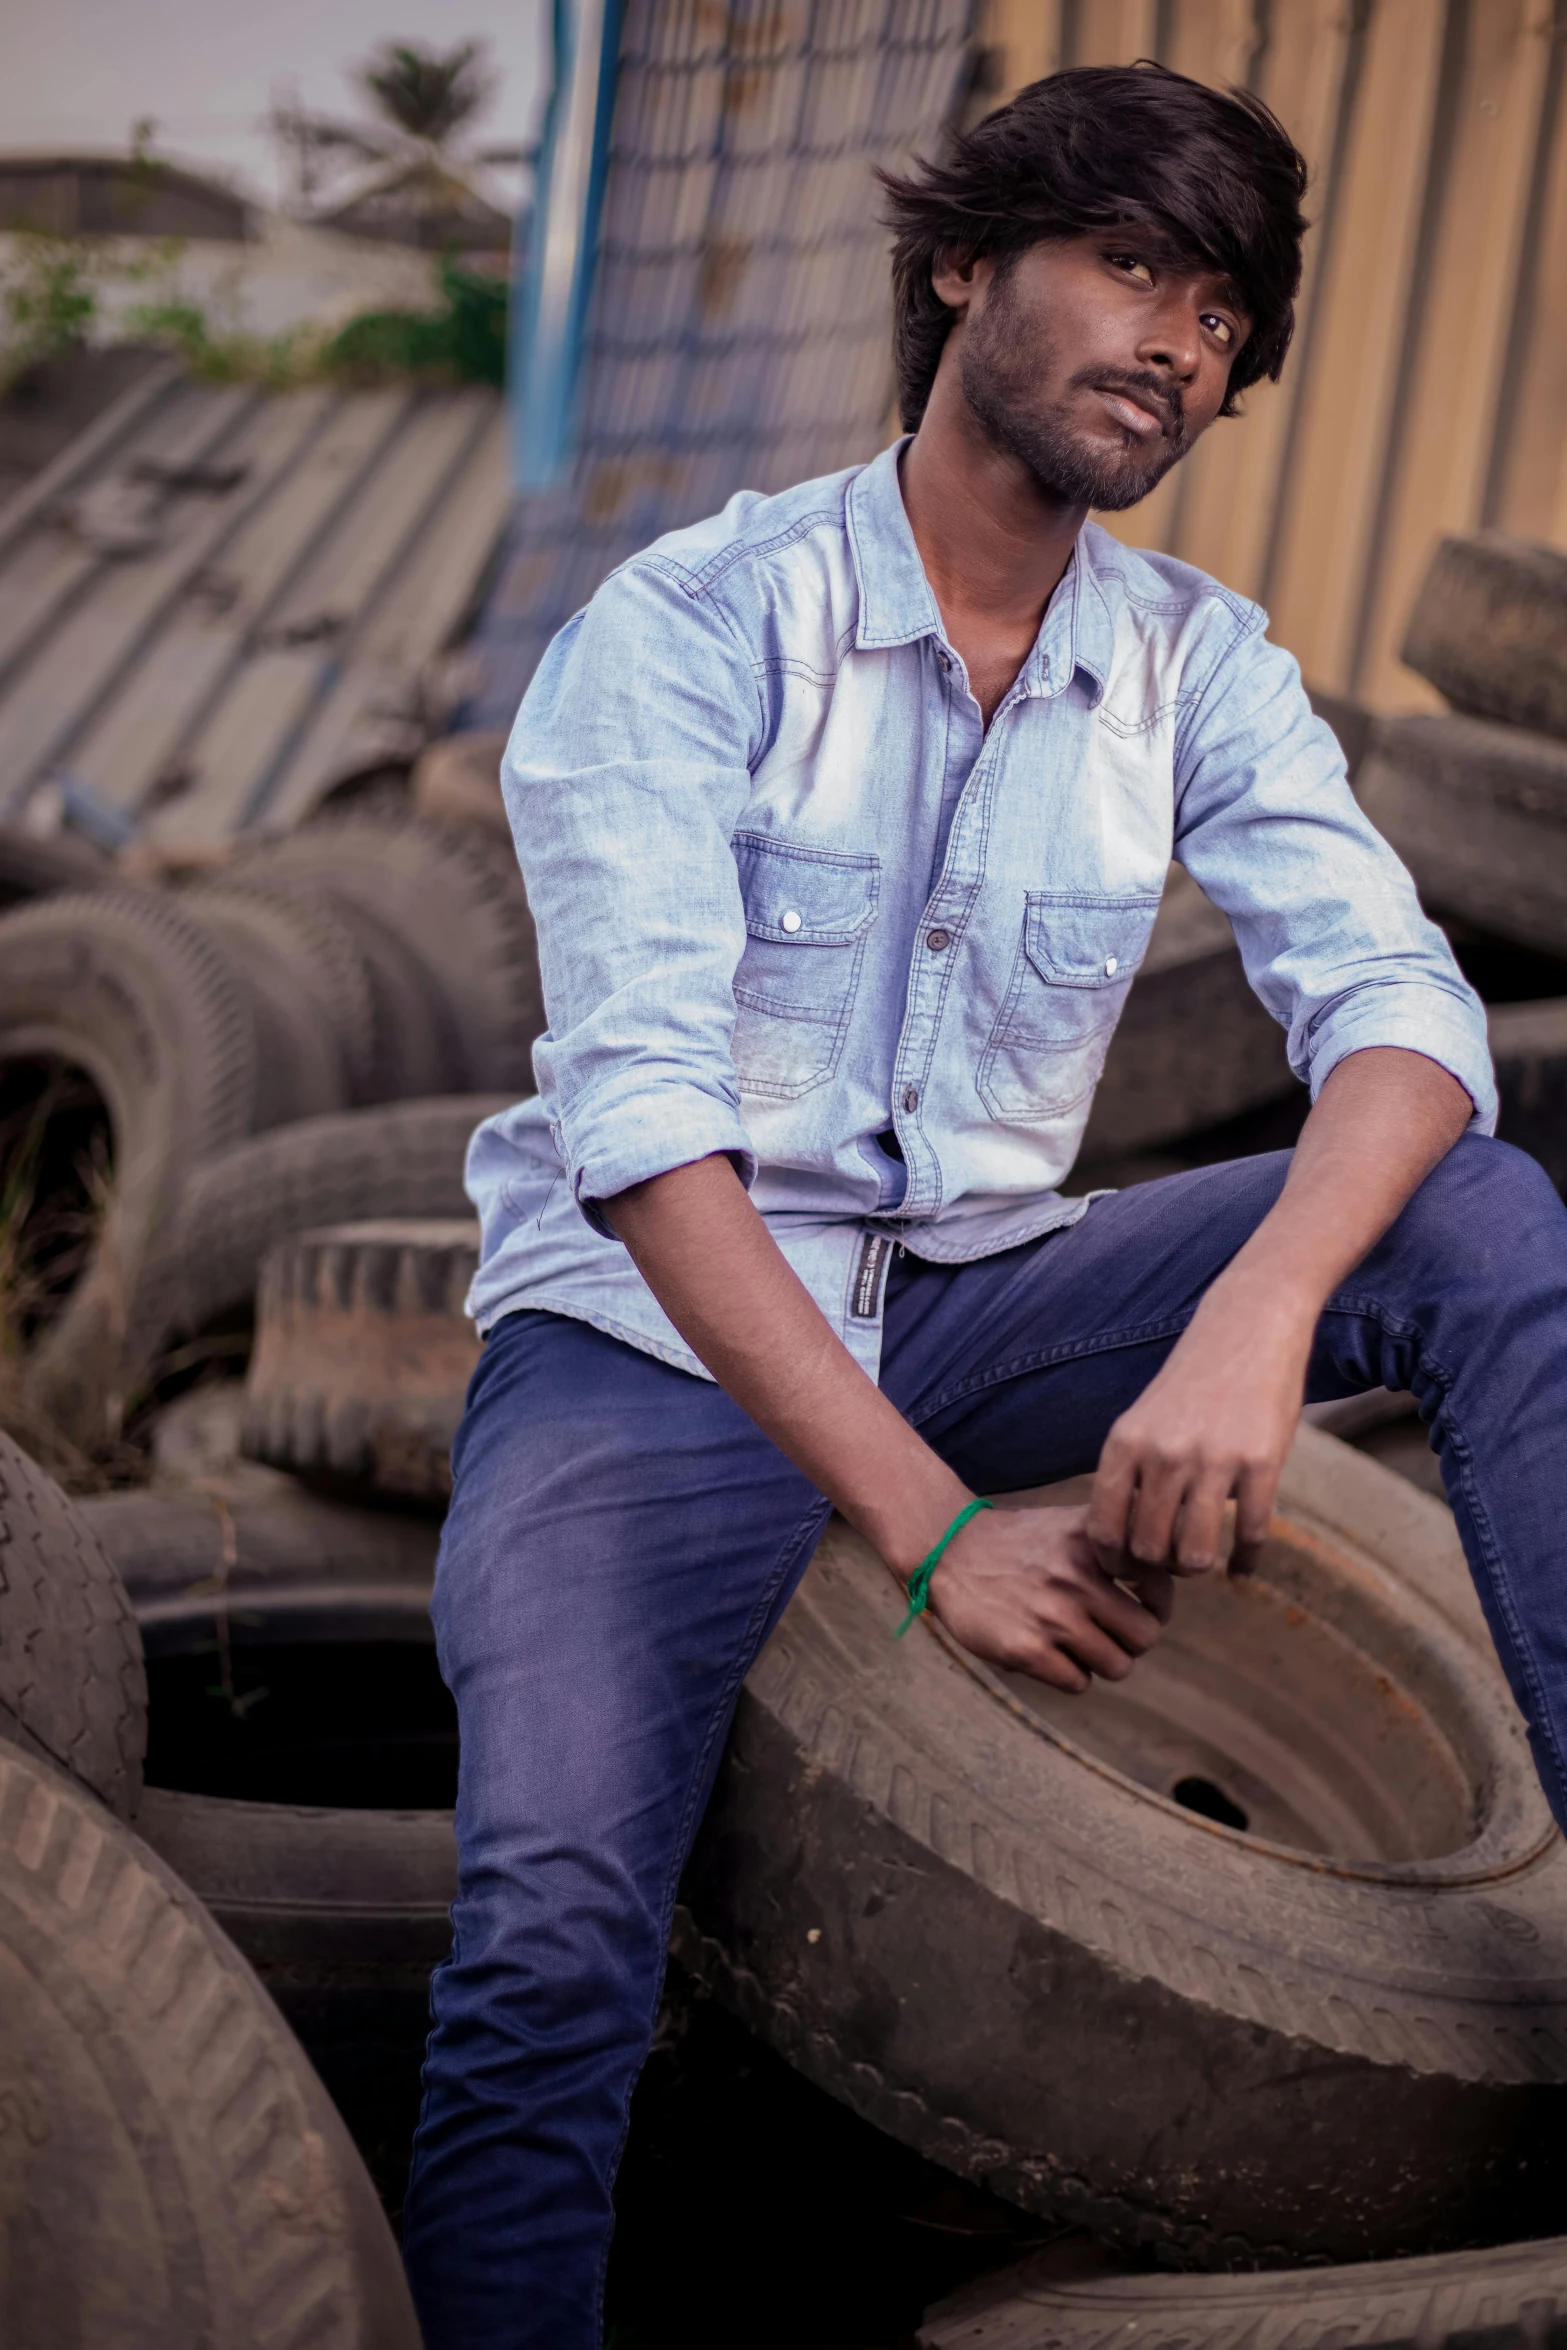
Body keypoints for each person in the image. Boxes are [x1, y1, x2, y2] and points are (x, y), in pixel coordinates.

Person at [402, 62, 1567, 2349]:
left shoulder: (1197, 662)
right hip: (647, 1353)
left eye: (1223, 311)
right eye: (1131, 263)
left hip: (973, 1296)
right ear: (962, 265)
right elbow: (644, 1140)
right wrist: (940, 1533)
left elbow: (1409, 1016)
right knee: (545, 1946)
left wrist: (1260, 1315)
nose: (1179, 342)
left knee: (1486, 1215)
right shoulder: (693, 622)